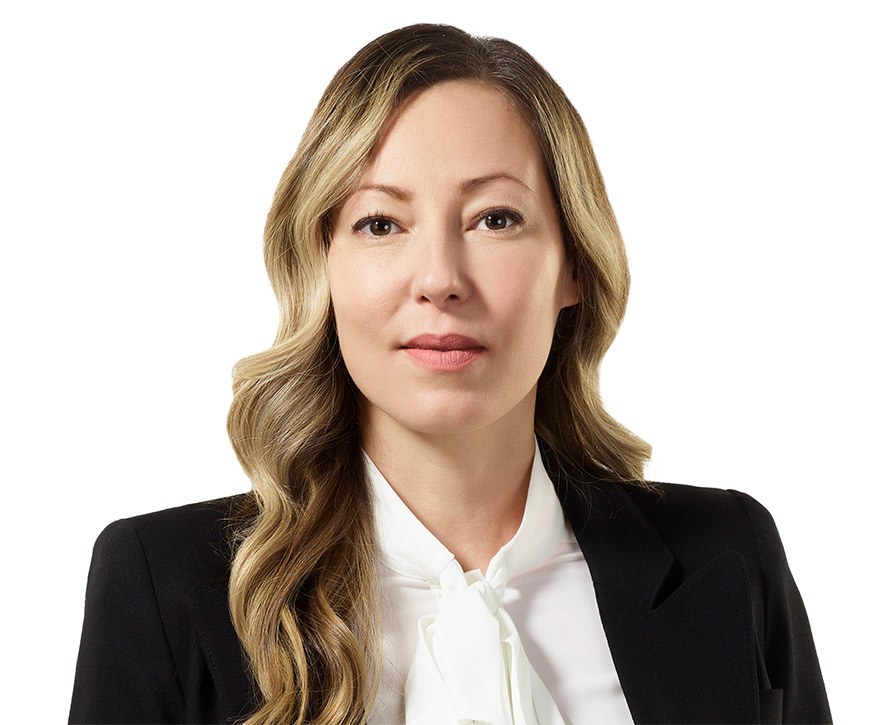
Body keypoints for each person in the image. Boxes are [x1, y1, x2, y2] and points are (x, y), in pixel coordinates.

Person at [68, 23, 830, 725]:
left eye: (495, 218)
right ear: (321, 265)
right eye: (380, 223)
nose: (439, 279)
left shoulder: (727, 557)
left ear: (573, 264)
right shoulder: (164, 584)